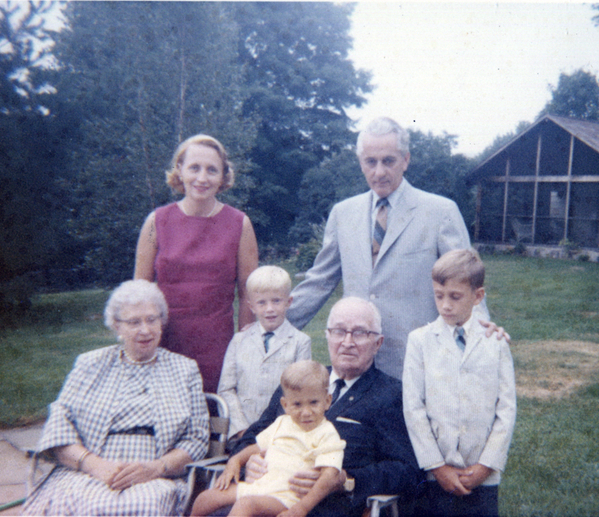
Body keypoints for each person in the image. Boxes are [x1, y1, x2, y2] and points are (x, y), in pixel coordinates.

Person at [287, 117, 495, 379]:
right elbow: (319, 281)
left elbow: (468, 281)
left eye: (388, 161)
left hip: (417, 361)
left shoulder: (440, 212)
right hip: (357, 364)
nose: (379, 172)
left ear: (405, 160)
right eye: (370, 162)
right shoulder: (343, 213)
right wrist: (273, 324)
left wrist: (479, 336)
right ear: (360, 162)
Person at [22, 280, 209, 516]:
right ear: (116, 327)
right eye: (134, 322)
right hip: (87, 469)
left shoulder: (185, 369)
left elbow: (197, 438)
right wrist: (95, 465)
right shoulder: (90, 364)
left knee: (142, 505)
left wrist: (155, 468)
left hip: (153, 475)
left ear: (162, 322)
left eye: (152, 319)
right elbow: (59, 425)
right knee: (82, 504)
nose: (145, 330)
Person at [226, 297, 422, 517]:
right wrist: (248, 463)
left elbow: (406, 470)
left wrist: (347, 479)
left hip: (327, 507)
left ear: (378, 343)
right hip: (264, 495)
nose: (347, 342)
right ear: (327, 336)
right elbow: (252, 434)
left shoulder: (390, 394)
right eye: (339, 331)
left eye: (359, 333)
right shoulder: (301, 382)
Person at [135, 134, 259, 392]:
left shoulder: (240, 224)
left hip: (217, 347)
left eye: (212, 170)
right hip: (164, 344)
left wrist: (243, 346)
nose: (202, 178)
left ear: (223, 176)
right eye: (194, 168)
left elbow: (248, 292)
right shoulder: (156, 222)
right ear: (180, 170)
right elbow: (139, 292)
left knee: (217, 420)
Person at [403, 249, 516, 517]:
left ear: (478, 296)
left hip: (482, 475)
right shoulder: (420, 341)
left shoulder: (496, 343)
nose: (445, 305)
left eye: (455, 297)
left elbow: (507, 409)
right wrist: (437, 466)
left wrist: (486, 465)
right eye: (439, 296)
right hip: (436, 475)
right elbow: (413, 407)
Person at [191, 360, 345, 517]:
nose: (306, 412)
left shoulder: (326, 433)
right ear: (285, 405)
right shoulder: (282, 423)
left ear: (327, 401)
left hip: (287, 497)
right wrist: (235, 461)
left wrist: (302, 508)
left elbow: (330, 474)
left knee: (246, 505)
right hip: (258, 487)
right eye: (297, 404)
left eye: (313, 402)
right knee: (206, 498)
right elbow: (256, 447)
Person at [218, 265, 311, 440]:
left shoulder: (300, 342)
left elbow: (300, 392)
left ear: (288, 302)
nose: (269, 309)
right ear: (251, 306)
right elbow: (226, 389)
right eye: (262, 302)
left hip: (283, 434)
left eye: (276, 301)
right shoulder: (239, 341)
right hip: (242, 433)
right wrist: (242, 429)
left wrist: (277, 432)